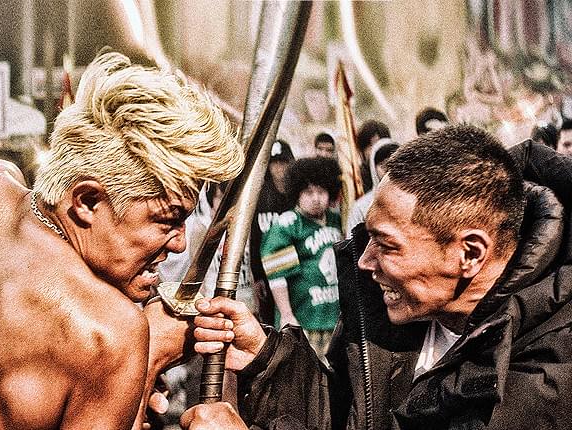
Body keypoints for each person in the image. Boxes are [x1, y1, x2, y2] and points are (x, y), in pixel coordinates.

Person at [184, 124, 572, 429]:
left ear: (469, 253)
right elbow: (346, 414)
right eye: (368, 238)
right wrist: (268, 360)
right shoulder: (392, 313)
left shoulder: (550, 376)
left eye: (387, 245)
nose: (365, 262)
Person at [0, 51, 244, 429]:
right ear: (88, 201)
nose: (180, 244)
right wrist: (146, 358)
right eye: (167, 221)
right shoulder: (111, 334)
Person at [261, 157, 342, 358]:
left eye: (321, 192)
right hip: (303, 319)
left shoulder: (337, 220)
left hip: (334, 318)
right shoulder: (287, 225)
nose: (316, 198)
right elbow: (277, 277)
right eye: (308, 192)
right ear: (297, 193)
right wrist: (287, 314)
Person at [249, 139, 295, 325]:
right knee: (269, 320)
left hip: (294, 270)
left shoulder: (297, 195)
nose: (279, 168)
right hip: (267, 269)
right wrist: (257, 276)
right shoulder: (261, 197)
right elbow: (255, 238)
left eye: (283, 162)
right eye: (274, 163)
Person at [345, 137, 400, 236]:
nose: (389, 171)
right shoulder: (362, 207)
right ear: (373, 168)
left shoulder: (411, 199)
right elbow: (351, 240)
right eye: (384, 166)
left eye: (394, 165)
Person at [355, 119, 390, 193]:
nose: (377, 148)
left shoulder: (394, 174)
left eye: (381, 143)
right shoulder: (356, 181)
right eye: (372, 145)